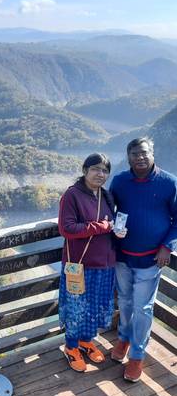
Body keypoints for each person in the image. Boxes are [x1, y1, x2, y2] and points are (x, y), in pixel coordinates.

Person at [110, 137, 177, 382]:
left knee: (143, 307)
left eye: (144, 153)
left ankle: (137, 355)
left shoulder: (169, 183)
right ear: (128, 157)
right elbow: (108, 211)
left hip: (151, 258)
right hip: (122, 256)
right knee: (126, 302)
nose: (139, 157)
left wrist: (167, 247)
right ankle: (124, 339)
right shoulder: (119, 182)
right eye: (134, 154)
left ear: (152, 154)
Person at [58, 153, 124, 372]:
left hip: (105, 263)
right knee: (77, 307)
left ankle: (86, 342)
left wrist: (117, 231)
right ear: (85, 170)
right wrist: (100, 227)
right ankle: (71, 347)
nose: (100, 174)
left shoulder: (106, 196)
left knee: (95, 306)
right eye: (96, 168)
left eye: (105, 170)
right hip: (80, 265)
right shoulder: (72, 195)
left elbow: (110, 224)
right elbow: (66, 228)